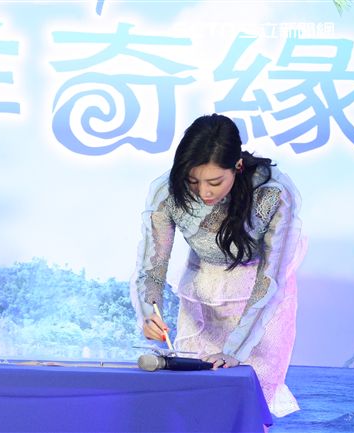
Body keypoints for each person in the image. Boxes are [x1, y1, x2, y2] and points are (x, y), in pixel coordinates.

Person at [130, 114, 305, 417]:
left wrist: (235, 350)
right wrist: (148, 313)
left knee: (252, 399)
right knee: (195, 397)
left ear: (238, 166)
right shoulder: (167, 192)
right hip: (203, 290)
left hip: (261, 298)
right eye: (193, 181)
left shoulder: (273, 193)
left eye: (214, 182)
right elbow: (152, 266)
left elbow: (270, 278)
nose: (204, 192)